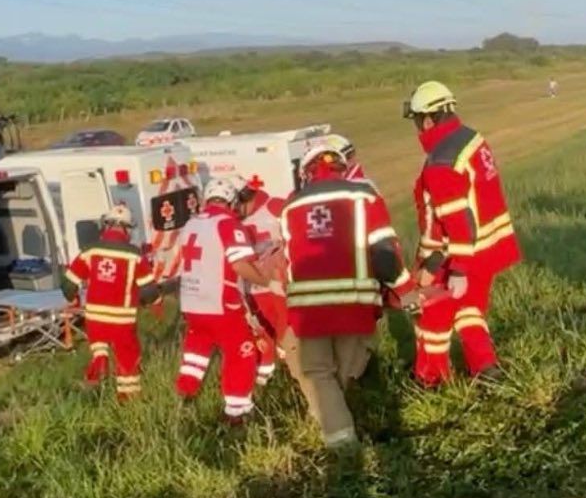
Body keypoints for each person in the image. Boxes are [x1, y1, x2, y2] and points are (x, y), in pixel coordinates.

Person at [278, 142, 415, 450]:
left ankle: (341, 443)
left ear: (306, 173)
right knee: (347, 370)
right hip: (356, 306)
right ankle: (343, 423)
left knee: (318, 373)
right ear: (342, 167)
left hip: (309, 312)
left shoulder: (289, 208)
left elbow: (290, 265)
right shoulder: (364, 197)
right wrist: (406, 291)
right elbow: (384, 256)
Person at [403, 81, 522, 387]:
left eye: (417, 121)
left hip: (457, 254)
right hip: (489, 248)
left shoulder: (441, 163)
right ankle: (486, 368)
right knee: (469, 309)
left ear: (428, 119)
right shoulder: (471, 139)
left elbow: (457, 220)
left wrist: (453, 268)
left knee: (432, 318)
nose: (418, 129)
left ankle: (432, 380)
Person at [175, 178, 278, 425]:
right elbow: (240, 264)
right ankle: (237, 411)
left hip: (191, 302)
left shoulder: (190, 224)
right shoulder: (230, 225)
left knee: (196, 350)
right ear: (232, 201)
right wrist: (265, 281)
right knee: (241, 350)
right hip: (220, 303)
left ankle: (184, 395)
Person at [61, 205, 159, 401]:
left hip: (95, 316)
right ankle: (128, 399)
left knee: (98, 343)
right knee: (127, 357)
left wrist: (71, 297)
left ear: (106, 226)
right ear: (127, 229)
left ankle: (100, 361)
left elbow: (68, 283)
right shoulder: (134, 255)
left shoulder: (90, 250)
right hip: (122, 319)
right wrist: (154, 301)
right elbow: (148, 291)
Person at [234, 175, 287, 387]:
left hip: (279, 285)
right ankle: (267, 379)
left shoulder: (274, 206)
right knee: (263, 335)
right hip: (253, 289)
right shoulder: (236, 221)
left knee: (285, 331)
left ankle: (290, 375)